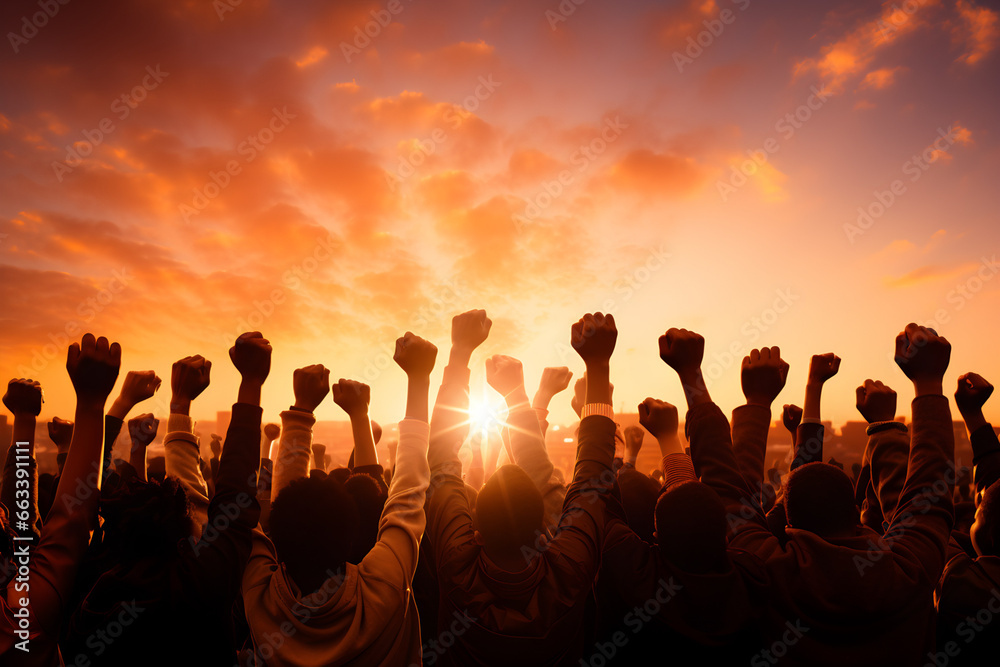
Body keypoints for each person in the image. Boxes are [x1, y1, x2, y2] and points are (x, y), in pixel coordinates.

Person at [424, 309, 619, 666]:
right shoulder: (568, 572)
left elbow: (441, 463)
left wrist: (461, 351)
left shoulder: (456, 567)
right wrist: (596, 366)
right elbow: (591, 478)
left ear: (477, 534)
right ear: (544, 534)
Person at [240, 332, 436, 666]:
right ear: (351, 538)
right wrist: (418, 378)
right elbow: (407, 497)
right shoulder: (383, 589)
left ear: (275, 538)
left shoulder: (259, 597)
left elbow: (242, 506)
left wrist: (300, 411)